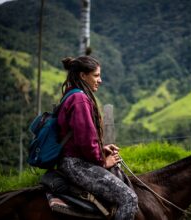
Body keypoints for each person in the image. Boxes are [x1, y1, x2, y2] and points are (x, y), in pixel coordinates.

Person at [57, 56, 138, 220]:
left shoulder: (71, 94)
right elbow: (85, 142)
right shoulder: (80, 99)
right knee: (129, 199)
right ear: (82, 75)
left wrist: (101, 149)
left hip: (71, 159)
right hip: (76, 164)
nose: (100, 80)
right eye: (96, 75)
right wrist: (103, 161)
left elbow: (80, 138)